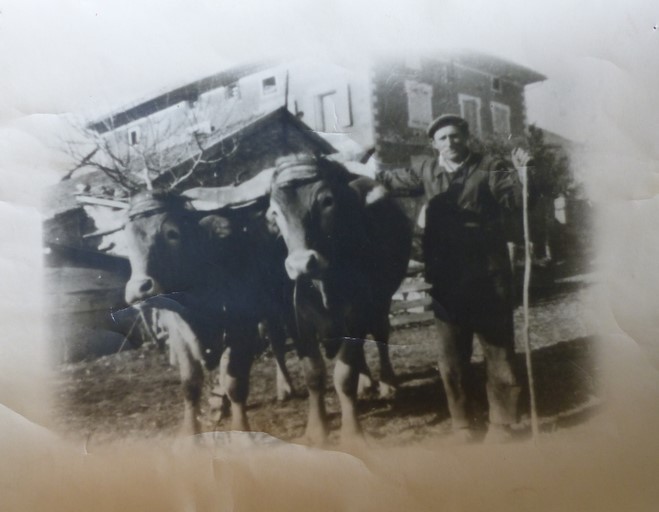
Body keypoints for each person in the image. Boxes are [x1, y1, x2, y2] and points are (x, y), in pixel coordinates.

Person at [375, 114, 531, 442]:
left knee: (498, 352)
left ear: (466, 138)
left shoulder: (491, 165)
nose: (450, 143)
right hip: (446, 278)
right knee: (451, 357)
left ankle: (501, 424)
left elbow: (515, 201)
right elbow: (388, 180)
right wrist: (356, 170)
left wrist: (522, 176)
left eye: (456, 136)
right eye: (443, 138)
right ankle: (462, 423)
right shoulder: (425, 169)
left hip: (487, 274)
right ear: (434, 145)